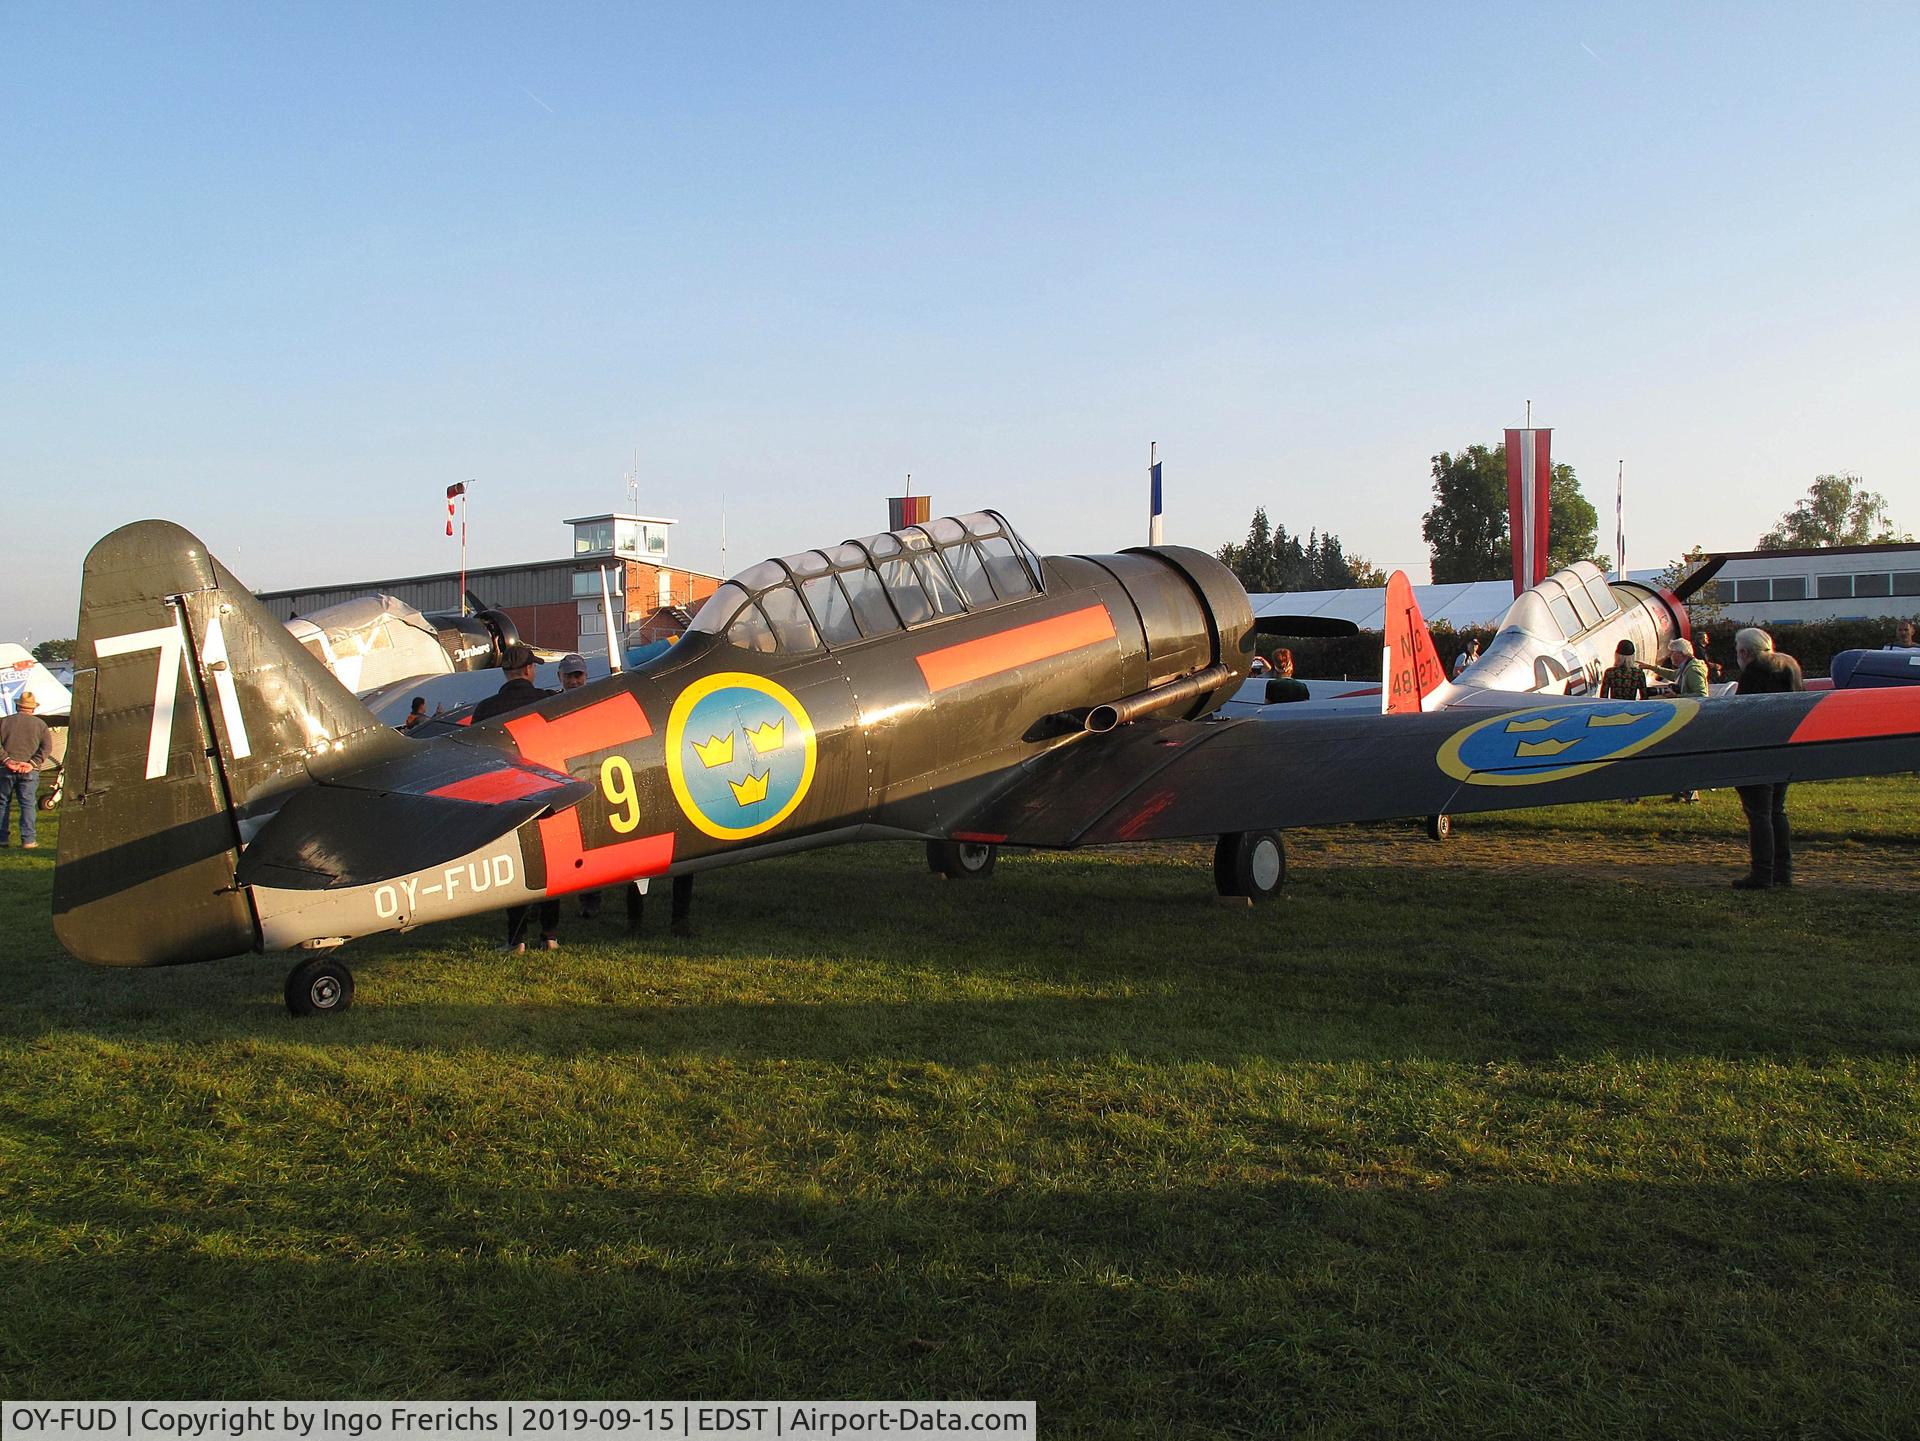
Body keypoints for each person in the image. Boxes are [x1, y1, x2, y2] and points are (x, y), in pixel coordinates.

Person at [472, 645, 563, 949]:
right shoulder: (547, 700)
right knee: (552, 863)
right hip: (548, 791)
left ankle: (517, 939)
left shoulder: (485, 709)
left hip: (510, 795)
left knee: (520, 866)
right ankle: (549, 935)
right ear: (528, 670)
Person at [1731, 627, 1804, 889]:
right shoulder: (1790, 665)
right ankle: (1783, 871)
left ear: (1745, 652)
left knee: (1758, 813)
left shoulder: (1755, 670)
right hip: (1786, 745)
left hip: (1758, 749)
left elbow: (1743, 710)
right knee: (1776, 810)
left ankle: (1762, 873)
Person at [1647, 638, 1710, 801]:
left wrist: (1678, 696)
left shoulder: (1692, 670)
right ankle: (1682, 791)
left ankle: (1689, 792)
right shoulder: (1687, 667)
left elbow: (1702, 695)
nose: (1670, 656)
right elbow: (1673, 674)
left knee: (1687, 754)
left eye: (1673, 653)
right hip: (1689, 713)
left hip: (1693, 715)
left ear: (1681, 653)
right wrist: (1651, 668)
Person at [1, 690, 54, 849]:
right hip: (30, 771)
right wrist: (31, 763)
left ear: (17, 706)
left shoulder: (3, 722)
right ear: (32, 708)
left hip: (4, 770)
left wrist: (7, 760)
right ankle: (28, 840)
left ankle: (2, 839)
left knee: (2, 803)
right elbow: (47, 748)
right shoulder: (41, 725)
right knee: (27, 805)